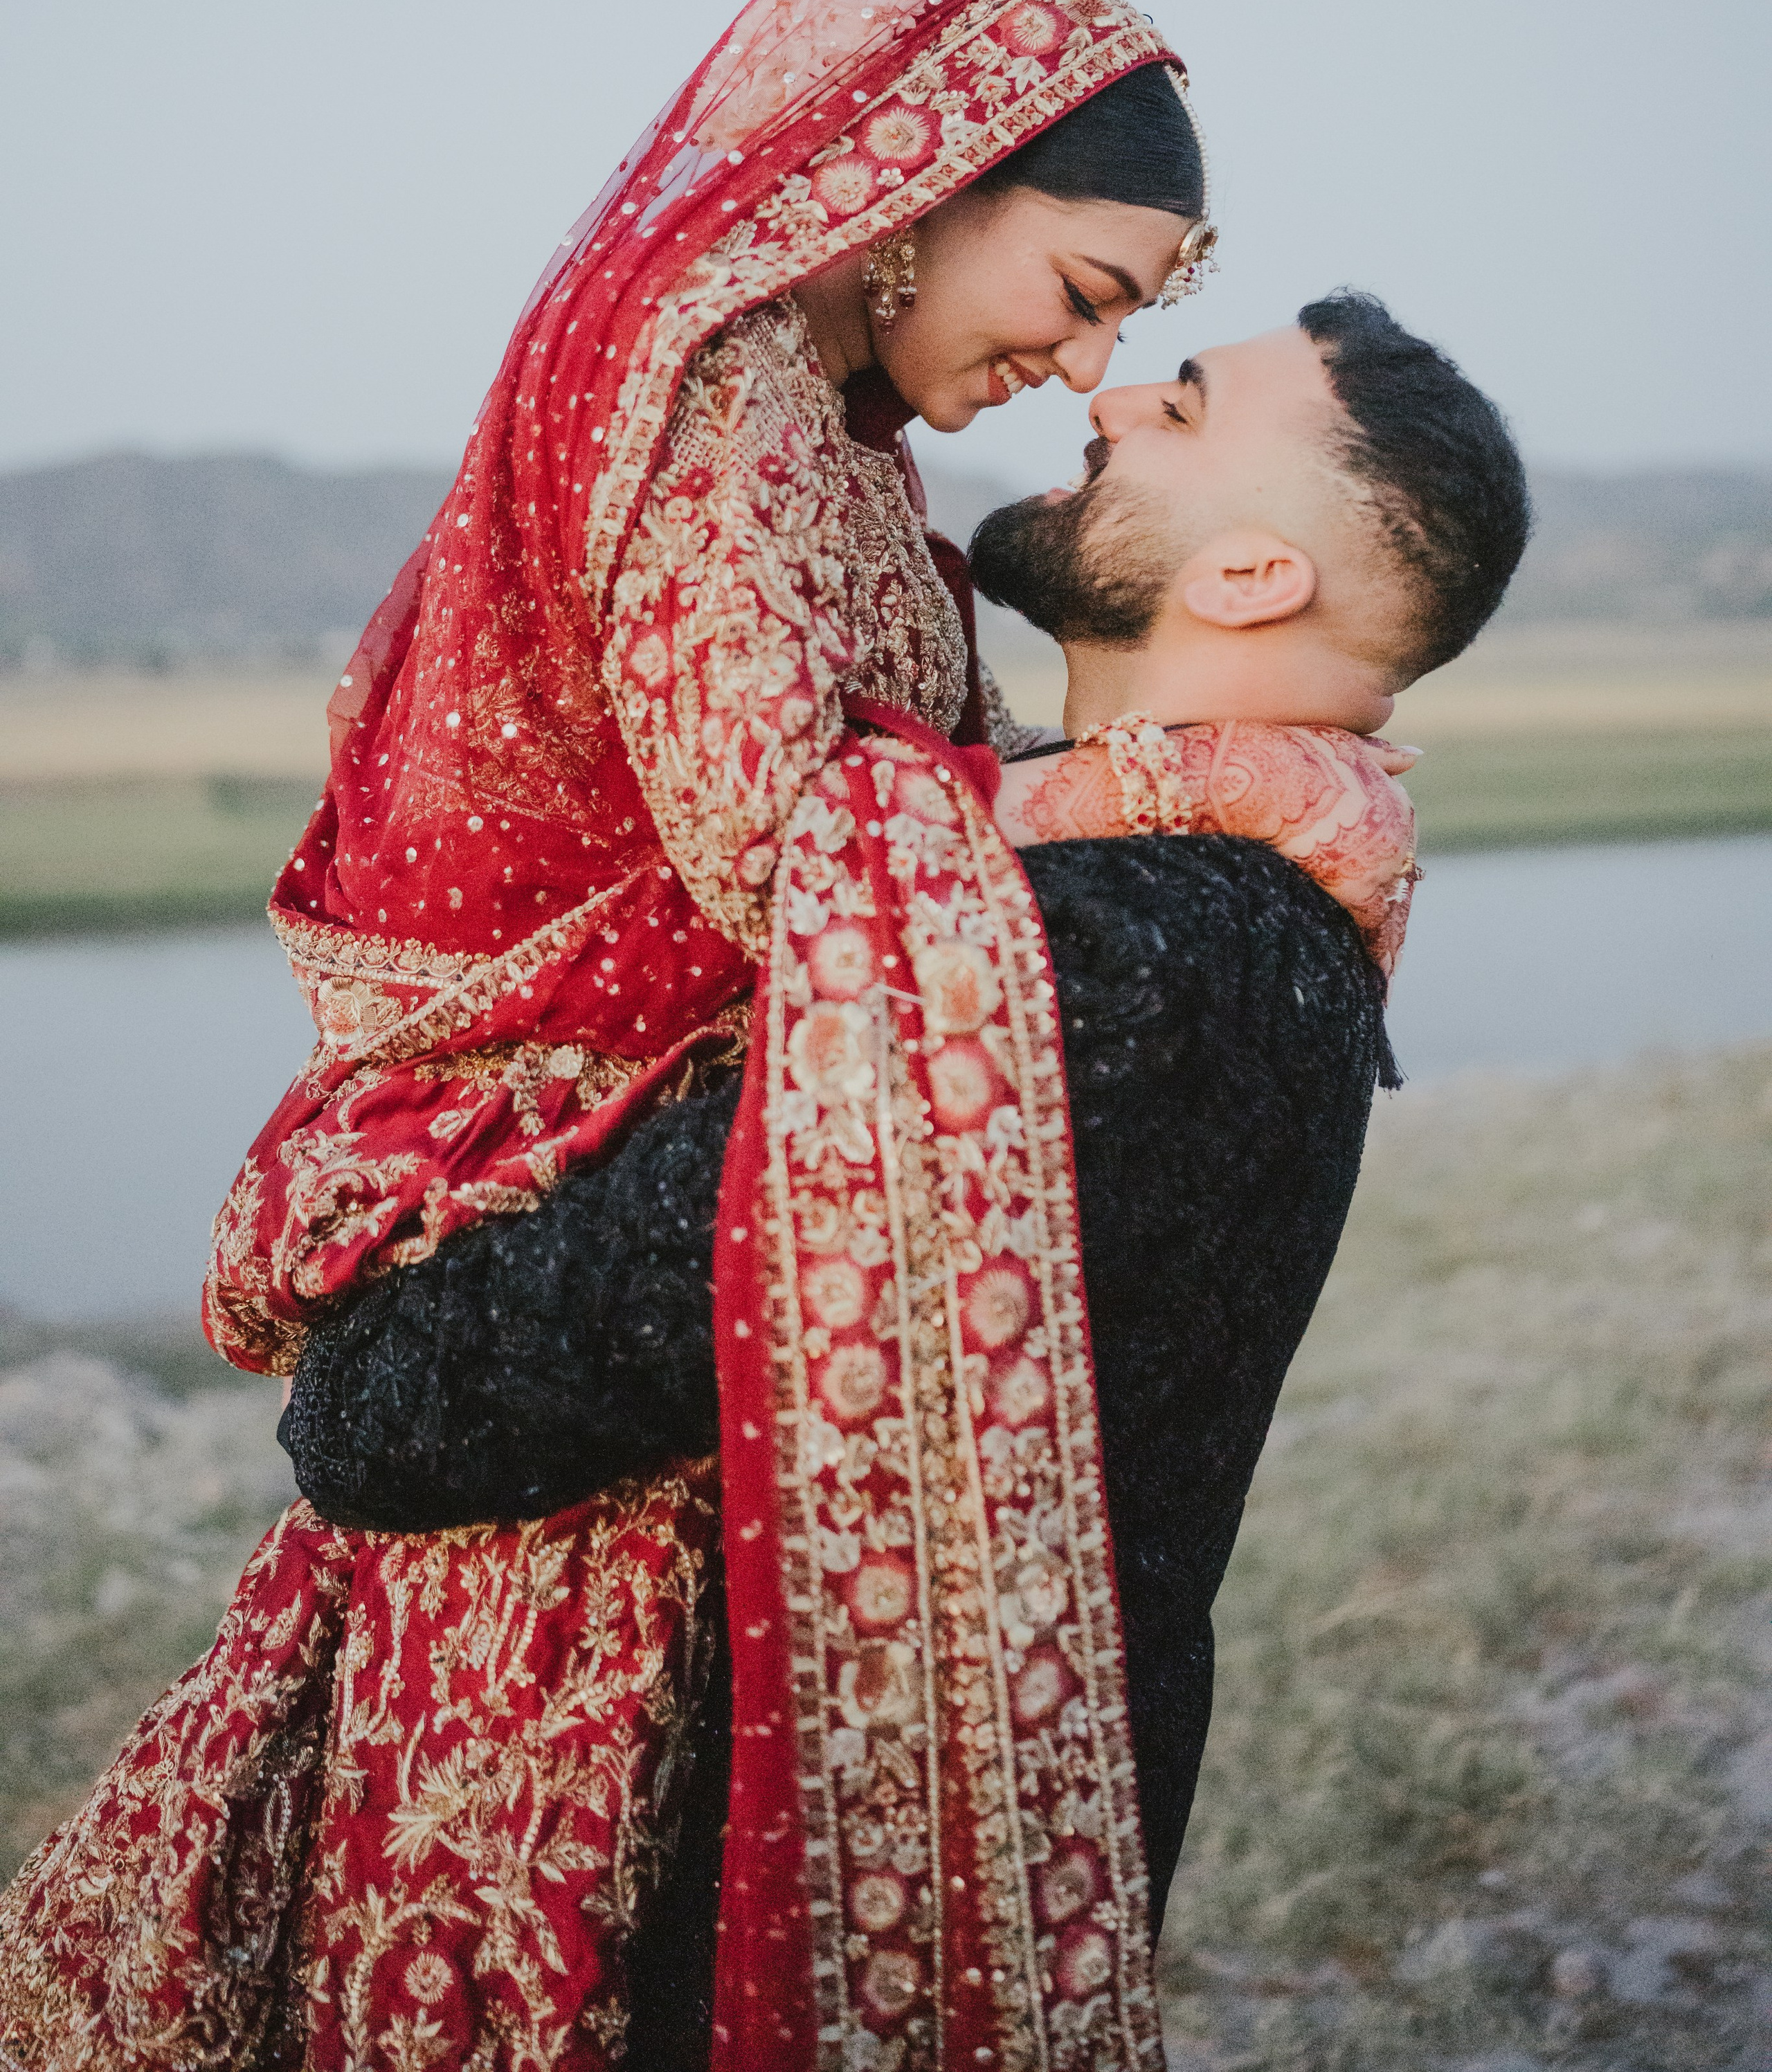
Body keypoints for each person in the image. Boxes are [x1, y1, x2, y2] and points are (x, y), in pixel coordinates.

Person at [1, 0, 1274, 2072]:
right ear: (918, 186)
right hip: (582, 1206)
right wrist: (1177, 799)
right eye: (1083, 283)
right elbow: (798, 868)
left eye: (1134, 320)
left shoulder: (849, 456)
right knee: (530, 1895)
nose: (1088, 358)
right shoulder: (704, 414)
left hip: (717, 1204)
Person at [279, 295, 1531, 2065]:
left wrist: (364, 1261)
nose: (1106, 393)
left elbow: (411, 1429)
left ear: (1251, 577)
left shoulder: (1107, 957)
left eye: (1177, 402)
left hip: (756, 1894)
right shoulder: (1180, 886)